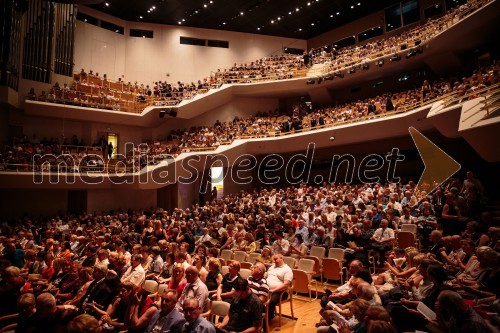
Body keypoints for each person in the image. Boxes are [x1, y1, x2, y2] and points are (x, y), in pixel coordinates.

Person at [266, 254, 293, 321]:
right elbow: (266, 277)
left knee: (271, 301)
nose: (274, 261)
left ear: (281, 258)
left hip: (281, 292)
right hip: (268, 289)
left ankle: (266, 321)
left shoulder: (287, 269)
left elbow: (286, 285)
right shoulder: (272, 267)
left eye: (276, 259)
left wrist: (273, 290)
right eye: (274, 259)